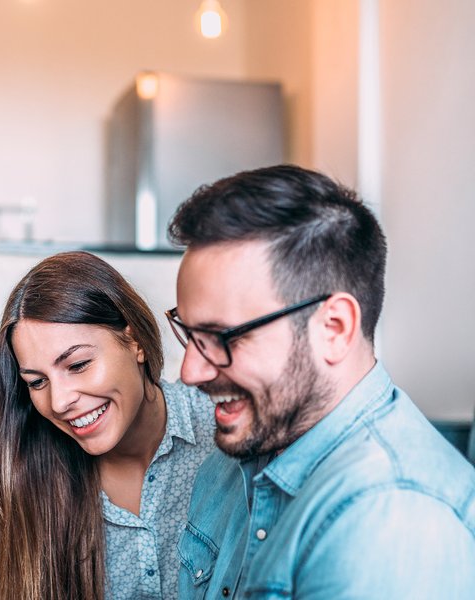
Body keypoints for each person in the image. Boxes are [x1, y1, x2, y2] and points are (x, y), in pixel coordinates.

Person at [166, 164, 475, 598]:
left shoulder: (390, 519)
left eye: (221, 337)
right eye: (191, 335)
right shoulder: (231, 461)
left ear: (333, 328)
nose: (189, 372)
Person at [0, 251, 215, 600]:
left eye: (77, 364)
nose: (59, 401)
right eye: (37, 382)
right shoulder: (23, 484)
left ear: (134, 340)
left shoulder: (222, 431)